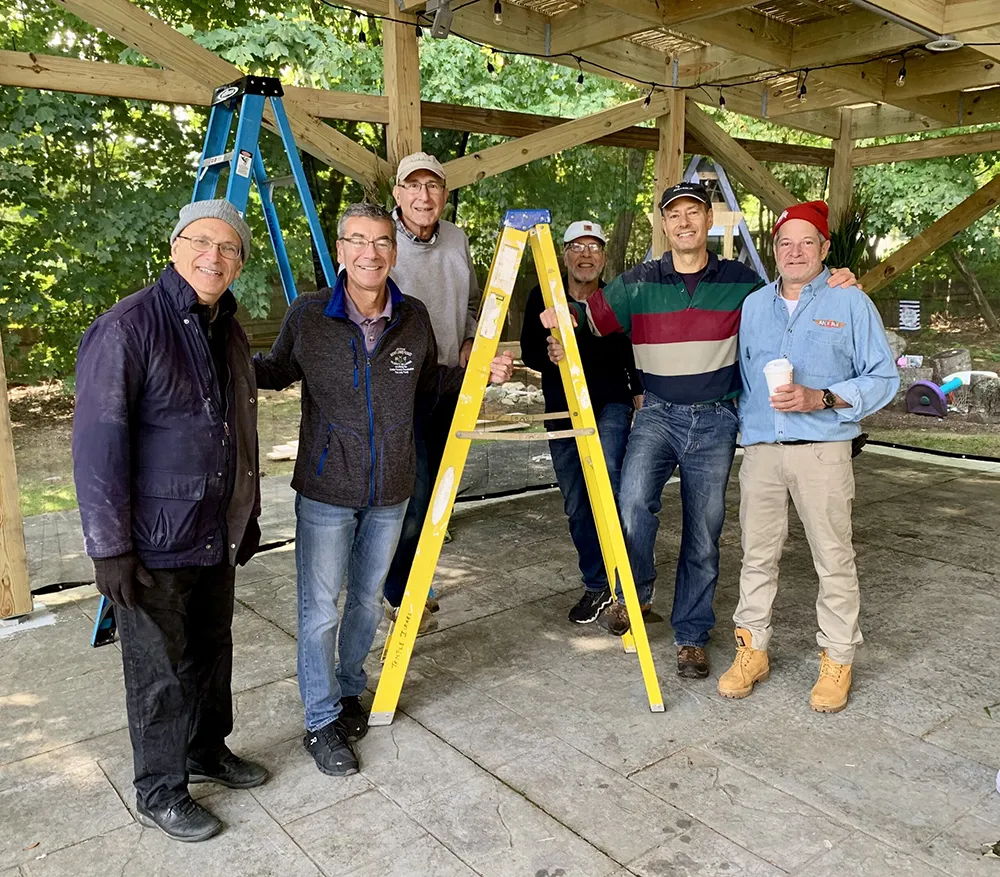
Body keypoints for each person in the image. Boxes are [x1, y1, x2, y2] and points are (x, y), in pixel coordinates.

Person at [540, 182, 858, 679]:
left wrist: (836, 278)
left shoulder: (743, 282)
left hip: (716, 419)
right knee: (631, 504)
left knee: (704, 532)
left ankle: (691, 635)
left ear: (708, 221)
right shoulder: (637, 281)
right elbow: (587, 318)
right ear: (663, 224)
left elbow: (791, 297)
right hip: (658, 414)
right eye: (674, 215)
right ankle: (634, 597)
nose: (684, 222)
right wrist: (557, 322)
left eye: (693, 213)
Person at [253, 203, 513, 778]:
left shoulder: (412, 317)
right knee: (320, 610)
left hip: (391, 489)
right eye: (357, 241)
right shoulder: (309, 316)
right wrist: (216, 355)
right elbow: (272, 371)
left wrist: (481, 371)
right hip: (325, 488)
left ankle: (348, 692)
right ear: (341, 251)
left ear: (393, 253)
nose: (370, 253)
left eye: (380, 242)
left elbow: (430, 384)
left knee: (368, 602)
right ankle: (320, 721)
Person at [73, 199, 266, 843]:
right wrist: (110, 548)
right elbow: (99, 445)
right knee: (156, 670)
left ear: (239, 263)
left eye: (229, 248)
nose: (214, 256)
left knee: (212, 650)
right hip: (151, 542)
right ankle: (160, 789)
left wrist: (248, 510)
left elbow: (239, 428)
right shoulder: (128, 327)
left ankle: (205, 748)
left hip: (214, 529)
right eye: (201, 241)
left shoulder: (229, 328)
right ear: (175, 246)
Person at [717, 201, 897, 712]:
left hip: (823, 451)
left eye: (806, 242)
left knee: (833, 558)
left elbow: (883, 378)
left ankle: (838, 658)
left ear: (823, 249)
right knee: (756, 555)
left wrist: (821, 397)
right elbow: (747, 381)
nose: (794, 252)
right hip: (763, 452)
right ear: (774, 249)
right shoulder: (753, 306)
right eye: (784, 243)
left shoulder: (850, 303)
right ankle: (752, 650)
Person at [520, 220, 641, 624]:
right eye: (577, 246)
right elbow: (530, 351)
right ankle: (597, 584)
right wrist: (549, 350)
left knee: (608, 487)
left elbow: (625, 350)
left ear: (603, 257)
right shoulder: (544, 294)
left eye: (594, 247)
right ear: (565, 254)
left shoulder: (615, 297)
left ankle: (627, 585)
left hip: (609, 404)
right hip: (562, 408)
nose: (586, 254)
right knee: (575, 502)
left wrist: (575, 343)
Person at [383, 152, 481, 631]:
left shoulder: (458, 239)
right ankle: (398, 594)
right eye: (413, 186)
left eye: (434, 186)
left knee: (442, 493)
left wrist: (467, 338)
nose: (424, 196)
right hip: (403, 391)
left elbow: (473, 301)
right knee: (415, 495)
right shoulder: (381, 242)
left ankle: (414, 581)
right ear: (398, 193)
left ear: (444, 194)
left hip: (450, 384)